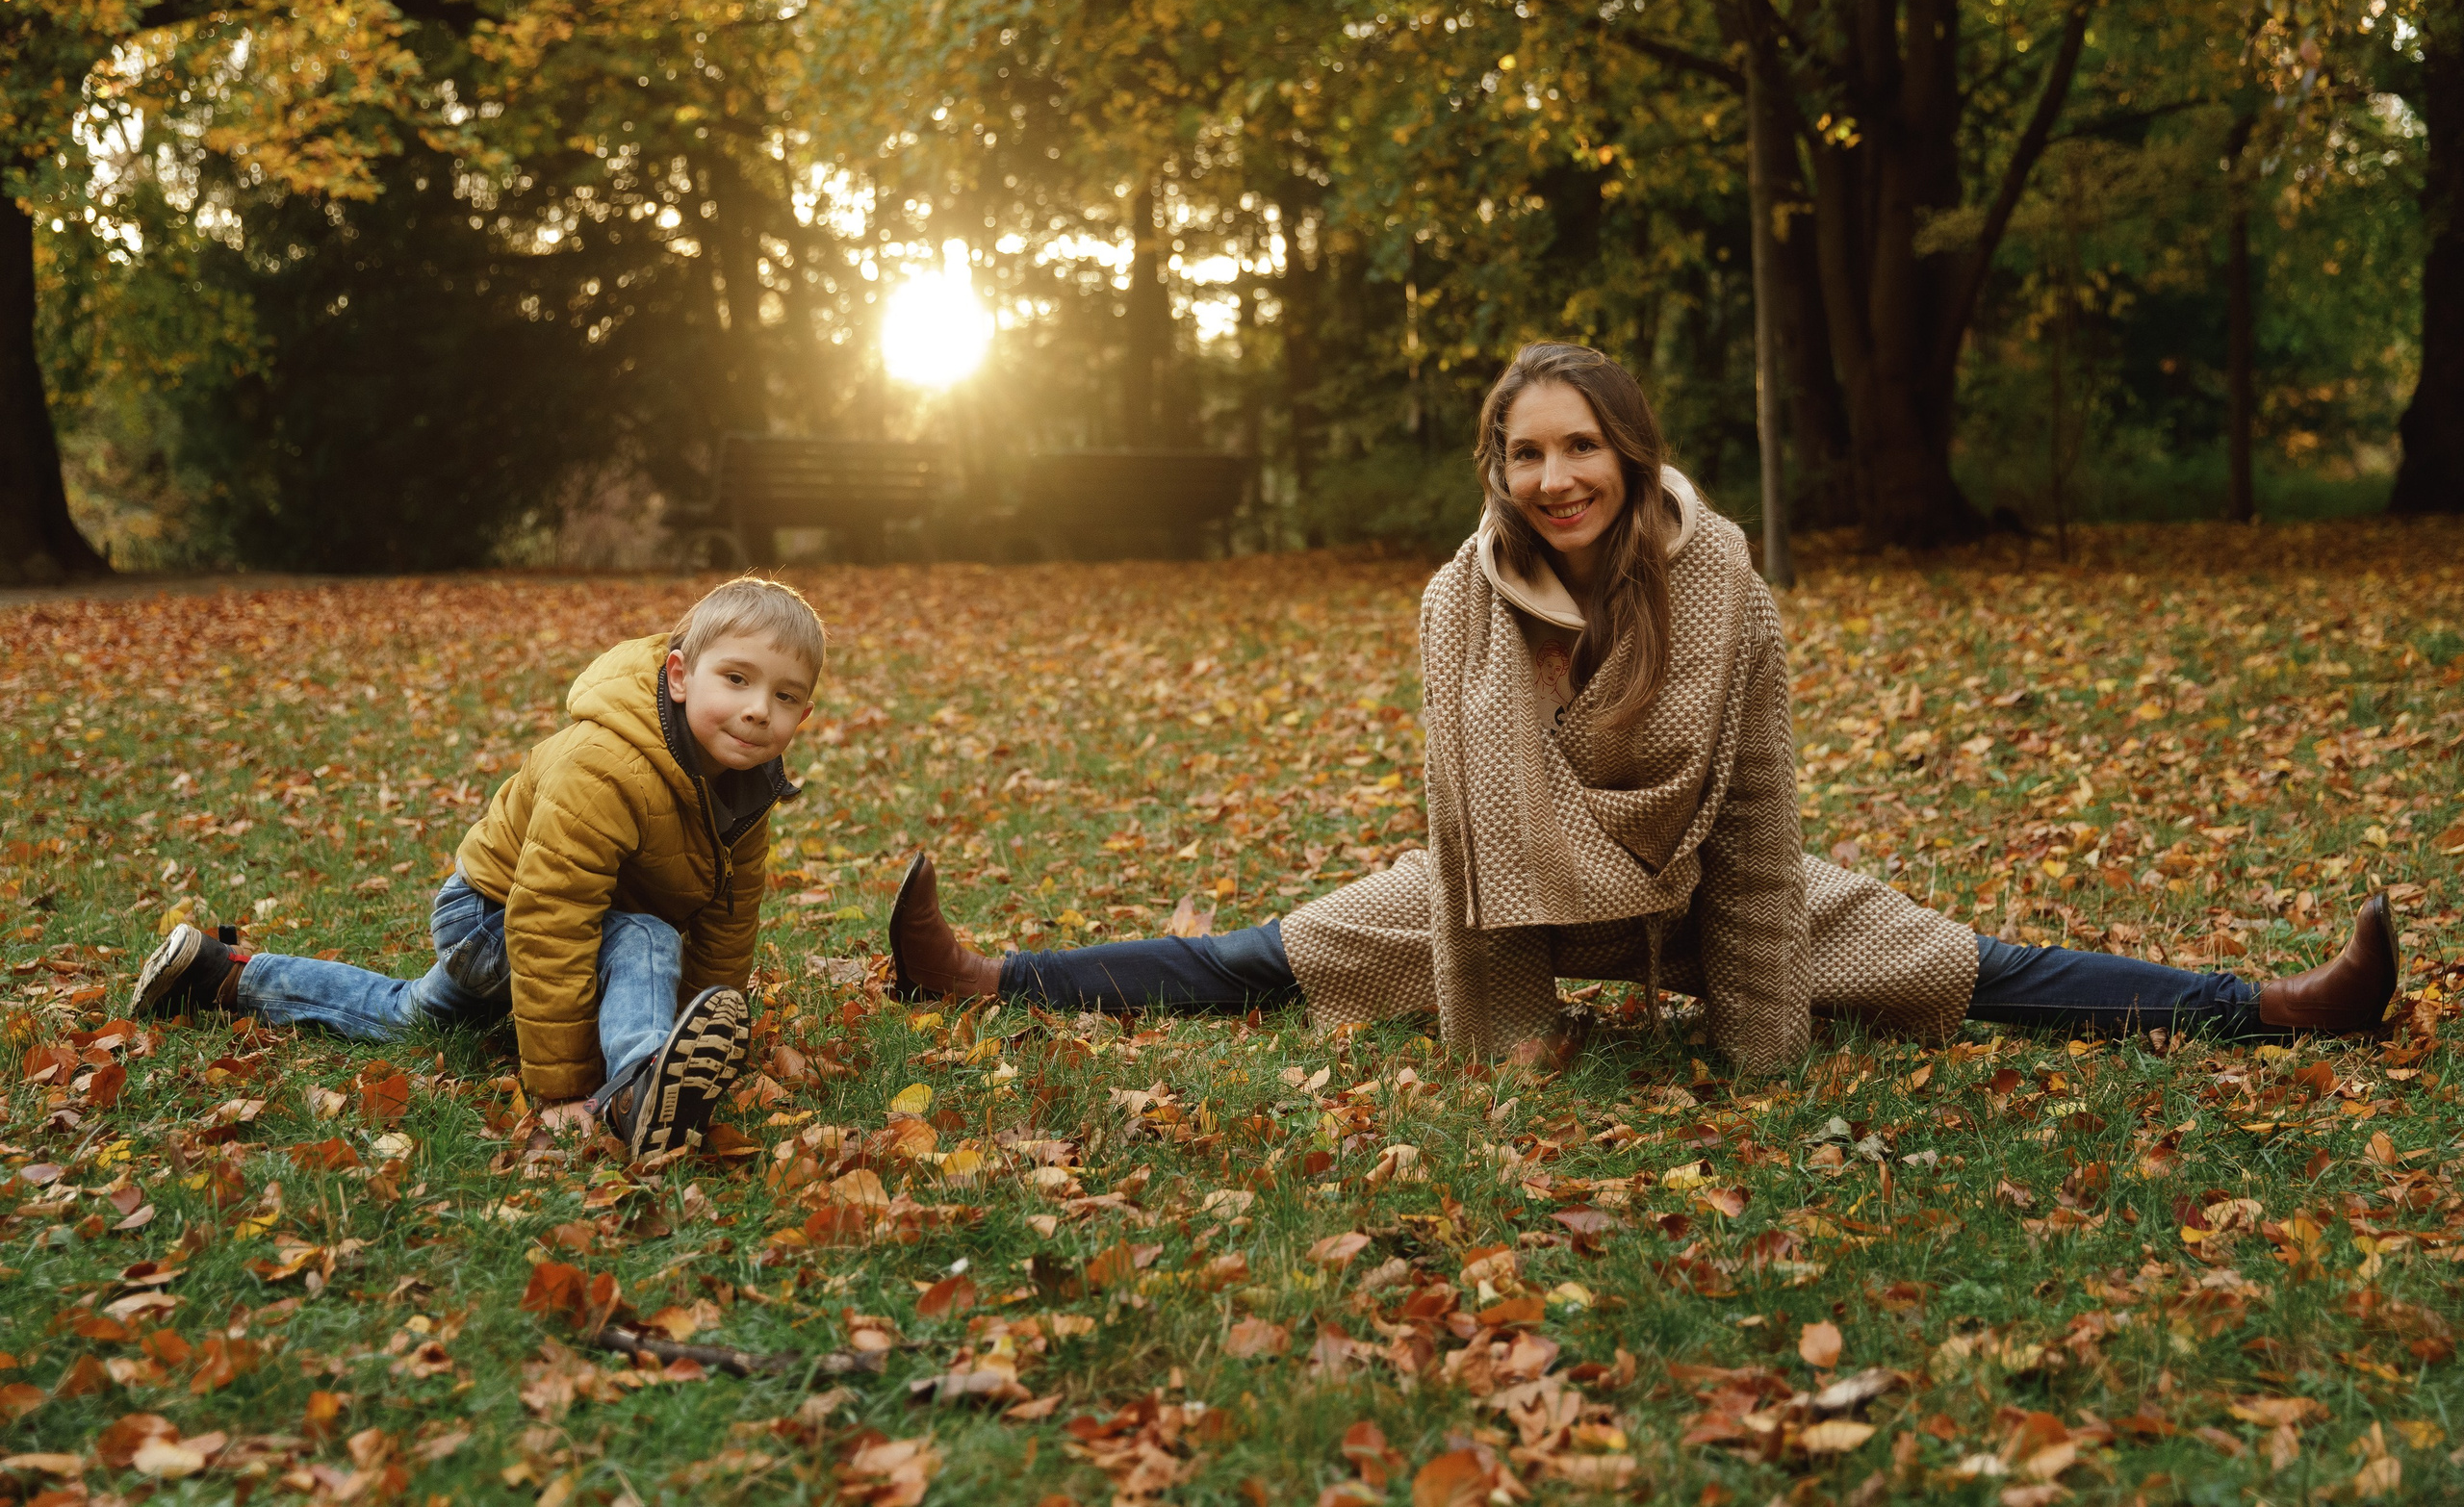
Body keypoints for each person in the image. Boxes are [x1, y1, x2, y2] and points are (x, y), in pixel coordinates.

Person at [884, 344, 2400, 1070]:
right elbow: (1466, 838)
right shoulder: (1457, 603)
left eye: (1581, 446)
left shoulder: (1722, 580)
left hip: (1693, 879)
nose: (1556, 477)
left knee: (1960, 961)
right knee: (1264, 954)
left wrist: (1757, 1043)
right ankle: (985, 975)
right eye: (1526, 452)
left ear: (1629, 449)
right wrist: (1516, 1039)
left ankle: (2271, 1004)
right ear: (1498, 468)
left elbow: (1758, 810)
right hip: (1499, 889)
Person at [131, 575, 825, 1156]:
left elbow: (729, 920)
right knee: (646, 937)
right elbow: (551, 918)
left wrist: (707, 1036)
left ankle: (219, 974)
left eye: (785, 696)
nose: (758, 710)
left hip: (565, 930)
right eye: (737, 678)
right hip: (489, 915)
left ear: (805, 712)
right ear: (679, 675)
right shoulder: (602, 766)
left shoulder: (745, 788)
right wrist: (560, 1088)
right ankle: (635, 1087)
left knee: (409, 1015)